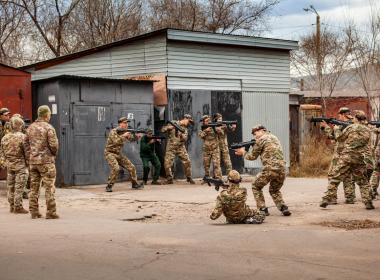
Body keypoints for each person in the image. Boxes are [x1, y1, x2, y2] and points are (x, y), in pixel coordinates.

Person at [320, 110, 375, 210]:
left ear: (356, 119)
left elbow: (340, 138)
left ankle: (326, 199)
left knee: (335, 178)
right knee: (363, 181)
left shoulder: (351, 127)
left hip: (347, 156)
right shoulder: (368, 130)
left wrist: (336, 129)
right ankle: (368, 202)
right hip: (359, 158)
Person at [234, 125, 291, 216]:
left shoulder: (261, 139)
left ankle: (262, 209)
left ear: (261, 130)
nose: (254, 136)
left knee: (256, 186)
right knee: (274, 190)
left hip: (270, 168)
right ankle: (283, 207)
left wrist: (243, 152)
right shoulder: (274, 137)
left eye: (255, 133)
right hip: (282, 169)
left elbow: (252, 157)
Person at [25, 105, 59, 219]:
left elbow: (25, 145)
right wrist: (53, 154)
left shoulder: (30, 128)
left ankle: (34, 212)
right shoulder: (49, 128)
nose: (50, 116)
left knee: (34, 188)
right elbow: (54, 145)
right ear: (46, 115)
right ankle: (51, 212)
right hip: (46, 162)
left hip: (33, 162)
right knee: (49, 187)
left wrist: (30, 156)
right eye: (49, 114)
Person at [319, 107, 356, 204]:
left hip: (340, 153)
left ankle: (332, 198)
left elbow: (336, 137)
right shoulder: (355, 124)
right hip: (350, 153)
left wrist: (327, 127)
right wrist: (326, 127)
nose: (338, 117)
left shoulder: (343, 125)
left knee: (332, 174)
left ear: (343, 114)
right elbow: (333, 136)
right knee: (348, 175)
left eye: (339, 115)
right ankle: (350, 197)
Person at [104, 117, 144, 192]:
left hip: (118, 154)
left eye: (127, 123)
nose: (126, 124)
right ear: (120, 124)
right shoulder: (114, 131)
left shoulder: (124, 132)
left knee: (131, 167)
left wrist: (137, 137)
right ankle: (109, 186)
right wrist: (124, 136)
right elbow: (116, 141)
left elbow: (131, 139)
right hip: (110, 153)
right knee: (116, 168)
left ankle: (134, 184)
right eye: (125, 123)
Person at [0, 116, 29, 214]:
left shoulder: (5, 137)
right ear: (20, 125)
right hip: (21, 165)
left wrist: (4, 163)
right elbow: (27, 152)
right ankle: (18, 207)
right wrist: (28, 164)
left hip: (10, 165)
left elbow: (2, 153)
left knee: (10, 187)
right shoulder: (23, 137)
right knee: (19, 187)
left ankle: (11, 206)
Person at [161, 114, 195, 184]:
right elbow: (162, 130)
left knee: (187, 162)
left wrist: (182, 136)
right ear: (185, 119)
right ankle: (169, 178)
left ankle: (189, 177)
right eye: (189, 121)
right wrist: (169, 128)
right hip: (171, 146)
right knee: (167, 163)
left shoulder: (185, 129)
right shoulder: (173, 122)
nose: (189, 123)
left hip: (180, 147)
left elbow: (185, 139)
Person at [198, 115, 222, 180]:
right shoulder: (202, 128)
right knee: (206, 164)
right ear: (203, 122)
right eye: (206, 121)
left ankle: (218, 178)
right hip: (206, 149)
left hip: (215, 148)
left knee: (216, 164)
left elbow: (221, 133)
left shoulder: (214, 126)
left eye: (209, 120)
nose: (208, 122)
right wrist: (206, 131)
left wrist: (218, 129)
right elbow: (200, 136)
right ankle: (207, 177)